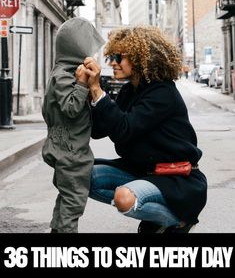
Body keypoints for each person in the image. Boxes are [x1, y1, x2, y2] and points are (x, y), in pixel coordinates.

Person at [76, 25, 207, 233]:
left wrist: (97, 90)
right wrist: (85, 89)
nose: (113, 63)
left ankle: (175, 220)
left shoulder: (163, 93)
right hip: (140, 171)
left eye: (120, 57)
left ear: (140, 59)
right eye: (112, 57)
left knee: (124, 198)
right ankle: (153, 213)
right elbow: (99, 129)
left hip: (176, 179)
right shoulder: (130, 90)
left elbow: (123, 129)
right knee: (80, 176)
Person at [41, 17, 104, 233]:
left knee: (66, 199)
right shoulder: (67, 75)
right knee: (73, 202)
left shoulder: (60, 72)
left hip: (63, 148)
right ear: (76, 46)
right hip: (71, 153)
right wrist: (81, 84)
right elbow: (71, 108)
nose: (91, 52)